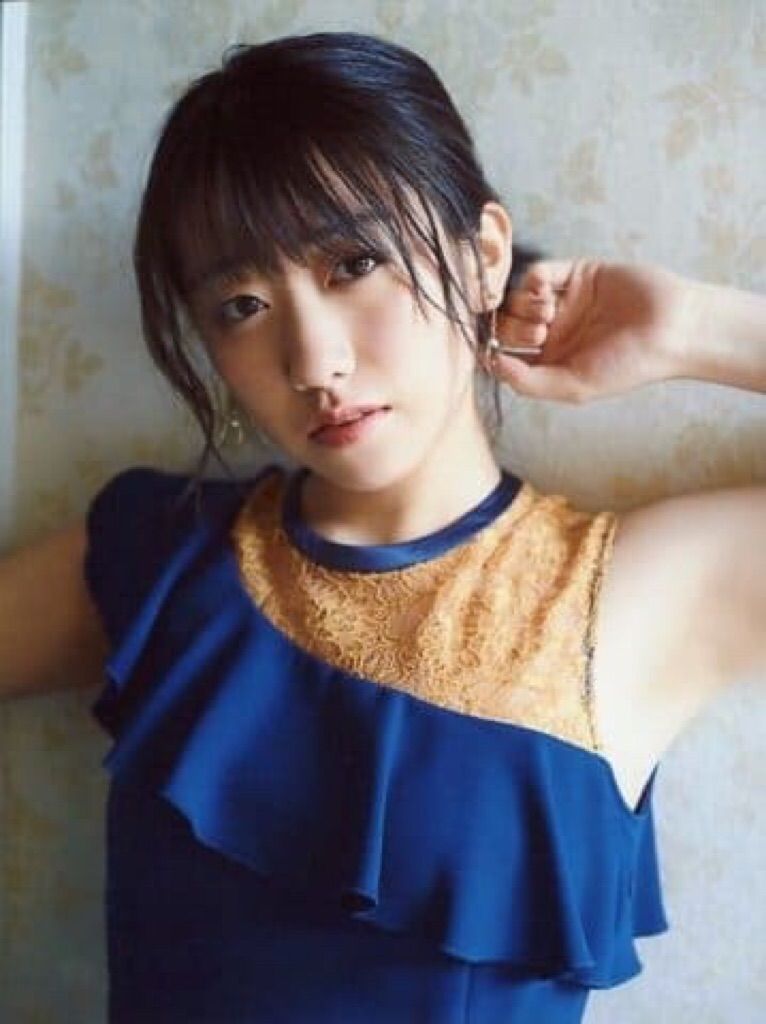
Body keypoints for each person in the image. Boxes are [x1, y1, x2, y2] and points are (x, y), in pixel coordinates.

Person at [1, 30, 764, 1024]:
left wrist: (693, 329)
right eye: (241, 305)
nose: (312, 361)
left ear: (484, 254)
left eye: (355, 262)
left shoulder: (625, 601)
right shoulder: (158, 555)